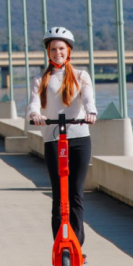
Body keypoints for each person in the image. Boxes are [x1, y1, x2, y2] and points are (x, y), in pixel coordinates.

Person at [27, 26, 97, 248]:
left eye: (62, 48)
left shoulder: (80, 76)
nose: (58, 53)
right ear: (48, 52)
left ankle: (76, 244)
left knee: (75, 194)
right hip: (53, 141)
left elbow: (88, 99)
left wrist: (91, 113)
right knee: (58, 196)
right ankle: (60, 244)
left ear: (69, 51)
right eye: (53, 49)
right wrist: (35, 114)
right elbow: (33, 103)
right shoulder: (40, 80)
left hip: (79, 139)